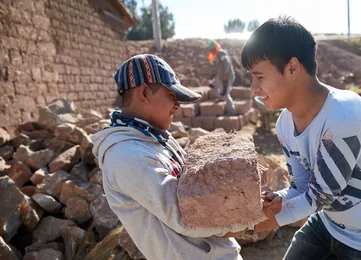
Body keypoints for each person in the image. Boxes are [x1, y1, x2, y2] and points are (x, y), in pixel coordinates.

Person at [242, 16, 361, 259]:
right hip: (329, 223)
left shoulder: (344, 116)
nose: (253, 88)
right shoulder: (285, 124)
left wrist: (244, 227)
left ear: (292, 68)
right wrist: (276, 198)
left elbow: (316, 197)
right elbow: (301, 187)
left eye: (259, 77)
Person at [91, 54, 258, 260]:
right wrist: (251, 216)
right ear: (144, 92)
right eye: (172, 96)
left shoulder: (157, 136)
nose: (178, 106)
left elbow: (197, 186)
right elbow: (187, 216)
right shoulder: (126, 156)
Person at [208, 40, 237, 115]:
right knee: (212, 84)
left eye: (212, 49)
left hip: (227, 77)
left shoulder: (221, 53)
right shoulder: (217, 54)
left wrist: (225, 74)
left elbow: (227, 63)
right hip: (220, 76)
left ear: (215, 48)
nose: (211, 51)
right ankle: (220, 97)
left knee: (226, 94)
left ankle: (232, 111)